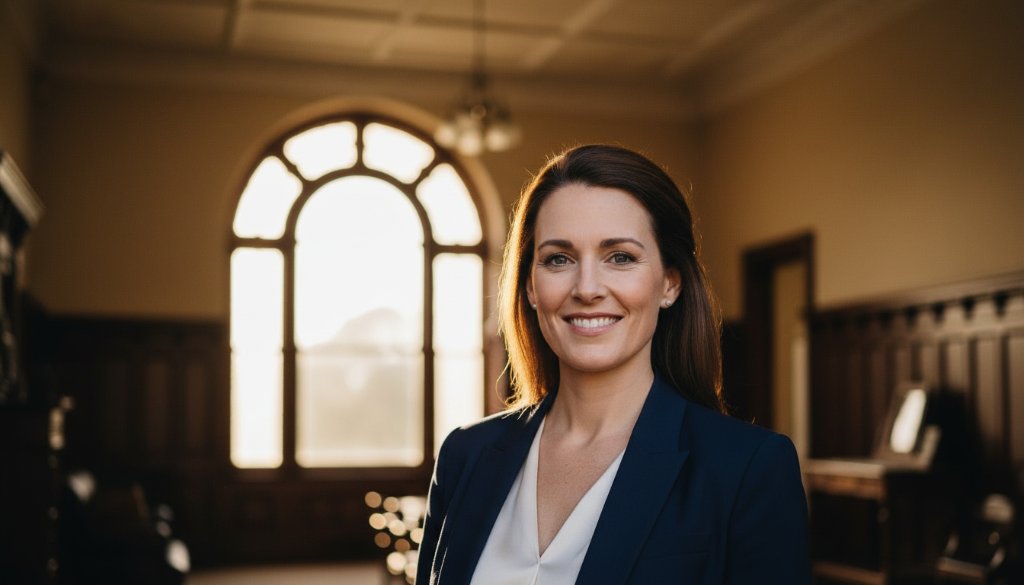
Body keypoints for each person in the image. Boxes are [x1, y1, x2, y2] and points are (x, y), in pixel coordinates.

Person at [415, 144, 810, 584]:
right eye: (558, 259)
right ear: (530, 286)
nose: (587, 288)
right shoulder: (465, 456)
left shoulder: (748, 469)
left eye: (620, 257)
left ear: (669, 284)